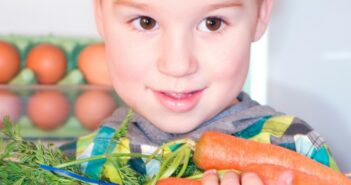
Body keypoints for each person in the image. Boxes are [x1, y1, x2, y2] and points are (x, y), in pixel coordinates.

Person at [61, 0, 340, 184]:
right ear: (100, 15)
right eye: (146, 22)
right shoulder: (73, 163)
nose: (178, 65)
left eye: (212, 23)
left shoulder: (298, 148)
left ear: (259, 16)